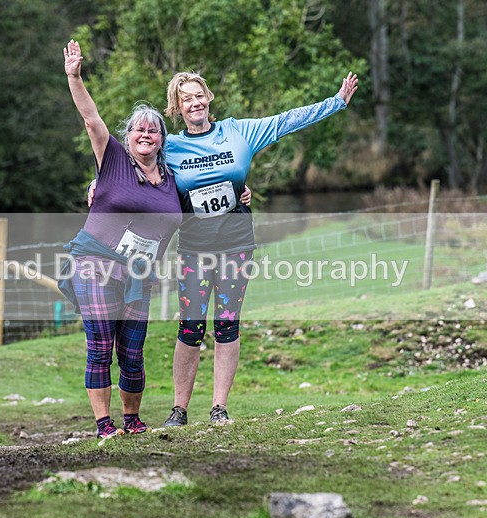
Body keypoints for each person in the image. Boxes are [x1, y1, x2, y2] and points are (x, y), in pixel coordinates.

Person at [162, 70, 358, 427]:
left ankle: (219, 408)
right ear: (177, 107)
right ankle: (179, 409)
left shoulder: (238, 132)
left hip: (236, 244)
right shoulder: (170, 147)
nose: (195, 102)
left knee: (227, 324)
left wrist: (336, 102)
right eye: (186, 98)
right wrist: (98, 183)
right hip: (194, 248)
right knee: (190, 328)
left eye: (199, 94)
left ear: (209, 97)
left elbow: (286, 121)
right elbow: (134, 160)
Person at [58, 40, 182, 438]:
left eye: (153, 130)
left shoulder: (173, 182)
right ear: (128, 137)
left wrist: (241, 194)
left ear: (162, 139)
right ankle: (103, 424)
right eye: (139, 129)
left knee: (132, 354)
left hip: (138, 276)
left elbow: (209, 190)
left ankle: (131, 420)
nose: (146, 134)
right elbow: (92, 119)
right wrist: (75, 76)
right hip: (94, 265)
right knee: (100, 345)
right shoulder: (111, 159)